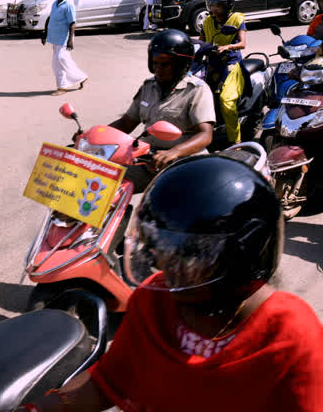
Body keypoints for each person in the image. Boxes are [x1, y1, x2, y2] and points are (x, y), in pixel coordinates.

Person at [19, 155, 323, 412]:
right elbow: (109, 379)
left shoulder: (291, 332)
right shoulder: (155, 300)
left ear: (242, 253)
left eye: (185, 253)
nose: (162, 264)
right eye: (158, 247)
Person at [108, 29, 214, 192]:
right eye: (155, 63)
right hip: (148, 161)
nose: (158, 69)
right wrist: (93, 135)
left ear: (180, 65)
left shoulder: (197, 90)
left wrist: (174, 152)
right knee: (106, 183)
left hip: (185, 164)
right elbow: (126, 123)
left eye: (164, 64)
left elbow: (205, 134)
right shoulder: (148, 87)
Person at [200, 0, 247, 144]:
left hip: (231, 62)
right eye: (211, 5)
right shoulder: (207, 21)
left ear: (227, 6)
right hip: (212, 63)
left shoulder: (236, 20)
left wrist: (228, 47)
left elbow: (242, 43)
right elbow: (201, 41)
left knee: (226, 101)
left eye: (217, 5)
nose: (213, 8)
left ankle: (236, 142)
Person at [41, 0, 87, 96]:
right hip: (55, 38)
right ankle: (80, 77)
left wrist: (70, 40)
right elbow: (51, 19)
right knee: (62, 61)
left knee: (59, 61)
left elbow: (72, 23)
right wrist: (45, 34)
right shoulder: (55, 3)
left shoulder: (69, 5)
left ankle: (62, 87)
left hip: (64, 38)